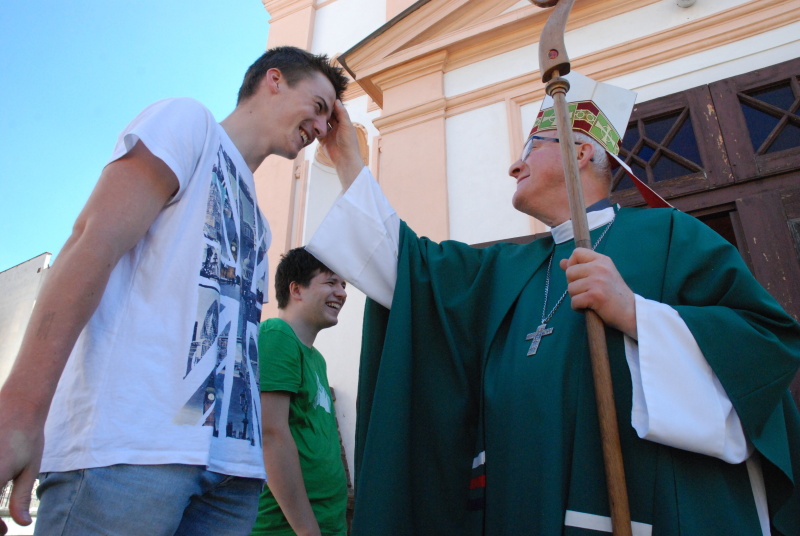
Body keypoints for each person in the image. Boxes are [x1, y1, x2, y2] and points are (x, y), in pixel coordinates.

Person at [306, 72, 800, 535]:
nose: (514, 165)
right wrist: (348, 156)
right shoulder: (508, 268)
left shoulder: (671, 236)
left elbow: (762, 349)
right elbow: (408, 272)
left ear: (581, 152)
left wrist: (636, 314)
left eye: (531, 148)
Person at [0, 46, 348, 536]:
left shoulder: (262, 225)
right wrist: (20, 409)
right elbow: (91, 243)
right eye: (318, 106)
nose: (321, 126)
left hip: (230, 474)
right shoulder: (190, 125)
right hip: (130, 455)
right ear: (274, 80)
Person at [250, 247, 349, 536]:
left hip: (327, 524)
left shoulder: (316, 359)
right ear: (296, 289)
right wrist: (307, 530)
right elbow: (271, 435)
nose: (342, 293)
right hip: (286, 529)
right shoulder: (277, 335)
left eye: (343, 284)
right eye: (331, 282)